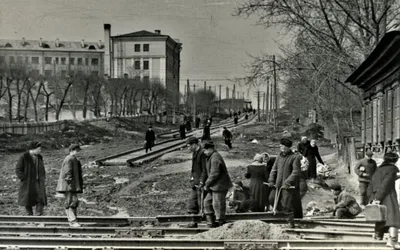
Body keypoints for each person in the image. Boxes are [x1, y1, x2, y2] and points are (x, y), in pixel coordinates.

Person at [268, 138, 303, 228]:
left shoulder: (294, 157)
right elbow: (274, 170)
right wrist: (271, 180)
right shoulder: (279, 157)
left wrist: (287, 182)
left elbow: (296, 172)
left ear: (288, 147)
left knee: (287, 203)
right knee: (271, 199)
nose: (282, 148)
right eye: (281, 146)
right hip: (278, 184)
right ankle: (282, 214)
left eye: (284, 147)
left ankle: (290, 222)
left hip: (288, 186)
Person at [368, 152, 400, 248]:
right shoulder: (391, 169)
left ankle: (378, 236)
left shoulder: (379, 169)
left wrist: (372, 198)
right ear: (395, 160)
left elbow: (373, 184)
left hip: (376, 195)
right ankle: (393, 241)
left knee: (381, 217)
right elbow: (385, 184)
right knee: (393, 217)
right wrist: (378, 197)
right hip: (387, 195)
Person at [203, 141, 233, 227]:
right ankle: (211, 222)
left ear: (210, 149)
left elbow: (214, 174)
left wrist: (207, 184)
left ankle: (221, 223)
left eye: (205, 150)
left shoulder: (215, 158)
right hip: (214, 186)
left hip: (219, 185)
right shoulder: (211, 156)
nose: (204, 153)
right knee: (207, 202)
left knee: (218, 204)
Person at [15, 141, 47, 216]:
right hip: (28, 182)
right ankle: (29, 215)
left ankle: (39, 214)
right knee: (28, 198)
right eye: (38, 149)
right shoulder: (24, 156)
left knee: (40, 197)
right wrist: (24, 178)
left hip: (38, 182)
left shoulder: (39, 157)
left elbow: (42, 169)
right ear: (33, 149)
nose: (40, 150)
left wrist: (43, 177)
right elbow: (18, 169)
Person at [56, 144, 83, 227]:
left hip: (71, 185)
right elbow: (67, 173)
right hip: (69, 185)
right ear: (72, 150)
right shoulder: (69, 159)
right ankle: (72, 221)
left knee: (73, 202)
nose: (78, 152)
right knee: (71, 202)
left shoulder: (73, 159)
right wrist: (70, 185)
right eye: (76, 150)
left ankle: (73, 220)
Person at [183, 137, 207, 228]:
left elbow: (204, 170)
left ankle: (209, 222)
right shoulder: (195, 153)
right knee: (192, 203)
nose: (188, 148)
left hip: (201, 182)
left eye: (189, 146)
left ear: (194, 144)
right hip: (195, 182)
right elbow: (194, 169)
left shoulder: (202, 154)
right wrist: (192, 179)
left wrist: (201, 181)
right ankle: (193, 222)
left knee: (202, 203)